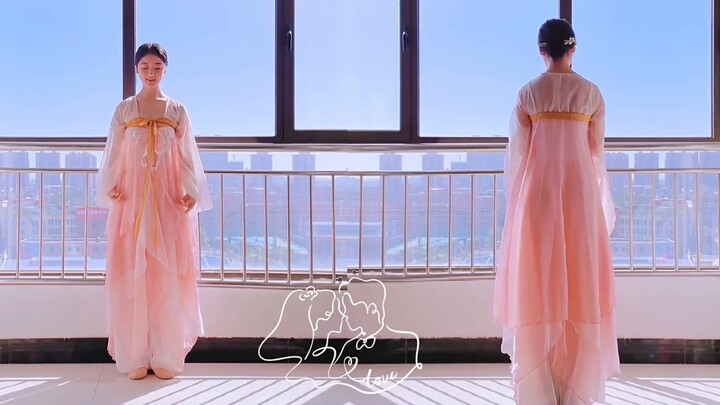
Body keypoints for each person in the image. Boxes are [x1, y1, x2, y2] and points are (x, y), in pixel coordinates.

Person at [493, 19, 620, 404]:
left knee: (538, 285)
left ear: (541, 50)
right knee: (580, 284)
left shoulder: (528, 94)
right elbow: (596, 152)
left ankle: (539, 388)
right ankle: (575, 387)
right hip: (579, 195)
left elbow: (518, 157)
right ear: (573, 49)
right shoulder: (592, 94)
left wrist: (518, 203)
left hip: (539, 196)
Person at [97, 43, 211, 380]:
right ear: (136, 69)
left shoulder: (177, 110)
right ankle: (135, 354)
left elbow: (188, 153)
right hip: (131, 202)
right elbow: (113, 151)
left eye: (157, 66)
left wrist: (192, 191)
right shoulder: (124, 110)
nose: (151, 72)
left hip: (167, 202)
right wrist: (109, 185)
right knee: (132, 275)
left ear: (165, 69)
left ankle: (164, 352)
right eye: (145, 66)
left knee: (165, 277)